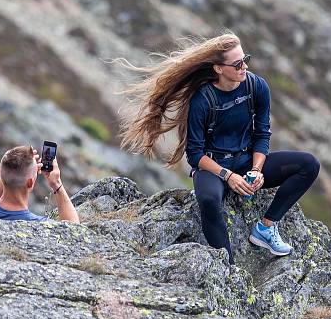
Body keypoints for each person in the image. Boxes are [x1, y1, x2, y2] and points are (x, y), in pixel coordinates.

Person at [119, 33, 320, 264]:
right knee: (208, 200)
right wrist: (229, 176)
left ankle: (266, 228)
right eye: (237, 64)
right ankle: (228, 268)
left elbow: (262, 134)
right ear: (218, 68)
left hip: (245, 160)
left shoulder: (257, 87)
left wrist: (256, 170)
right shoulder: (202, 100)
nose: (244, 67)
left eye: (245, 59)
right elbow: (195, 155)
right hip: (213, 167)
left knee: (309, 165)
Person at [0, 145, 79, 223]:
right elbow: (73, 228)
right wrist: (56, 184)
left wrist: (14, 171)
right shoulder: (39, 225)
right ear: (30, 183)